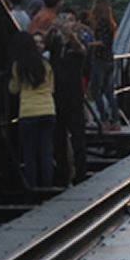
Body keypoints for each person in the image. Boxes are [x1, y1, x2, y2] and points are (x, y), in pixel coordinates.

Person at [8, 30, 55, 188]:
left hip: (28, 112)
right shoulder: (45, 64)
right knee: (45, 151)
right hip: (48, 110)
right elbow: (51, 87)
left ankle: (33, 186)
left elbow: (14, 89)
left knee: (30, 153)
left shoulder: (18, 66)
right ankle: (48, 185)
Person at [46, 14, 89, 186]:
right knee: (58, 137)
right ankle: (62, 173)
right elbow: (45, 45)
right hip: (57, 94)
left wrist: (70, 35)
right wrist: (51, 29)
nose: (67, 24)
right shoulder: (56, 43)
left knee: (77, 136)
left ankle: (81, 172)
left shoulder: (79, 42)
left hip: (74, 95)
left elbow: (81, 51)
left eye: (71, 20)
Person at [88, 0, 122, 131]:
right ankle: (116, 120)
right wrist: (86, 29)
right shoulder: (110, 23)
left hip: (100, 61)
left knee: (96, 91)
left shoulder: (101, 23)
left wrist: (88, 44)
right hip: (109, 60)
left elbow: (102, 42)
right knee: (108, 92)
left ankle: (104, 119)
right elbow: (104, 39)